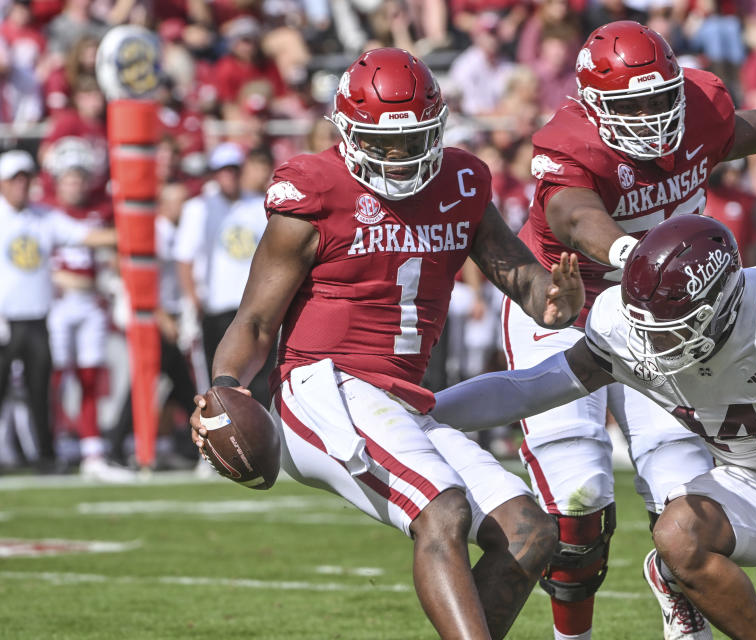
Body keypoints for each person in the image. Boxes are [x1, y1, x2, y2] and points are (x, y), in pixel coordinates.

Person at [505, 19, 756, 640]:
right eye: (633, 105)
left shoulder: (697, 105)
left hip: (669, 317)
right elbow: (576, 216)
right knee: (578, 500)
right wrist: (635, 258)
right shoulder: (570, 144)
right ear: (593, 104)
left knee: (682, 490)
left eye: (662, 98)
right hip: (568, 305)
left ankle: (676, 585)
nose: (655, 116)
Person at [189, 48, 585, 640]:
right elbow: (254, 321)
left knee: (530, 532)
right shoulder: (313, 193)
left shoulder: (460, 180)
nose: (399, 157)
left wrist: (554, 302)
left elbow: (520, 276)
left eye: (413, 139)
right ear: (348, 131)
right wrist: (226, 391)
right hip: (322, 387)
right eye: (383, 142)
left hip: (399, 401)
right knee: (442, 508)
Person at [432, 215, 756, 640]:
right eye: (646, 324)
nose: (652, 342)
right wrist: (425, 409)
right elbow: (530, 387)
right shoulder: (627, 327)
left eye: (672, 329)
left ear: (722, 306)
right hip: (747, 480)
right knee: (678, 535)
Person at [0, 150, 115, 474]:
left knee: (41, 391)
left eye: (25, 178)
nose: (21, 185)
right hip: (5, 318)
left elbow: (85, 236)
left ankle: (45, 456)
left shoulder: (43, 216)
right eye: (14, 179)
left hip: (37, 317)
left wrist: (133, 230)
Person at [174, 142, 274, 407]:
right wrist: (193, 298)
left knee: (262, 380)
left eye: (233, 170)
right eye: (223, 171)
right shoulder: (199, 208)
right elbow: (184, 257)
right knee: (221, 381)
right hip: (218, 307)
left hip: (254, 305)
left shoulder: (257, 205)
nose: (229, 176)